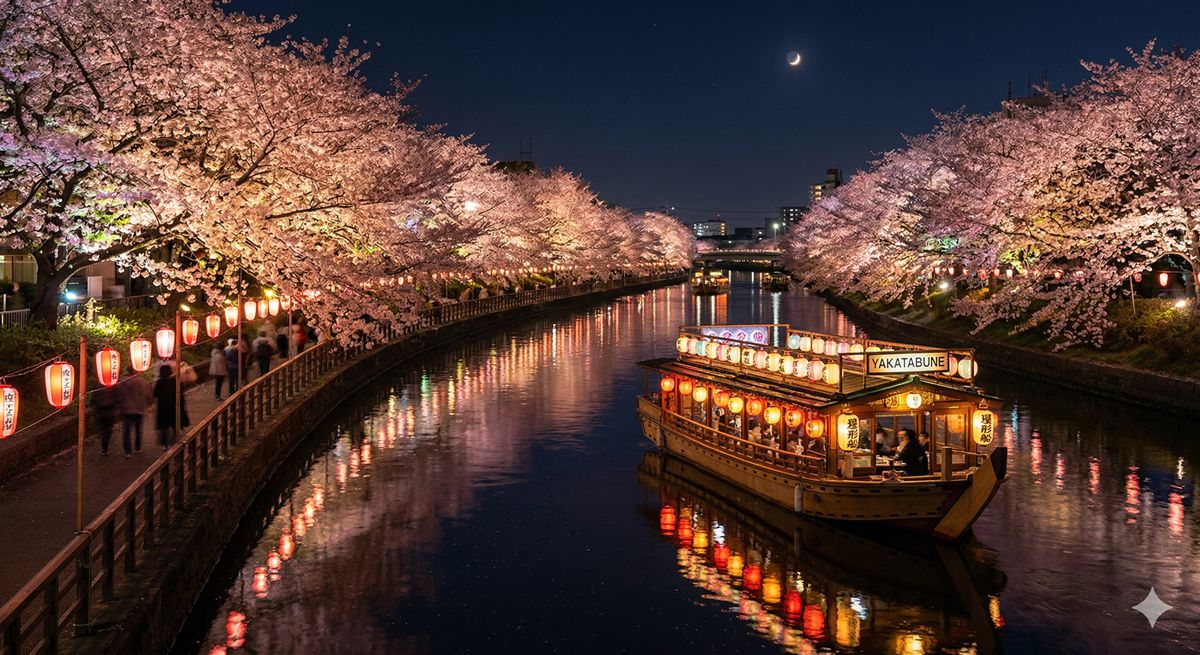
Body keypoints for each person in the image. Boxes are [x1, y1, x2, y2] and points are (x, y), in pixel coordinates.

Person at [153, 364, 190, 448]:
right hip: (174, 406)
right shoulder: (175, 382)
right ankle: (176, 441)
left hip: (163, 407)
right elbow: (181, 394)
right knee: (175, 425)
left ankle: (164, 443)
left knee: (164, 426)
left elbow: (155, 394)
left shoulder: (159, 382)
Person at [117, 372, 151, 457]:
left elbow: (118, 395)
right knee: (138, 429)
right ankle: (138, 447)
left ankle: (127, 452)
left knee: (126, 431)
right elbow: (147, 394)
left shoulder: (122, 383)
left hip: (126, 410)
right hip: (139, 409)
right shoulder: (141, 382)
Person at [90, 382, 120, 455]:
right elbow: (117, 398)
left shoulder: (97, 386)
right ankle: (105, 446)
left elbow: (93, 400)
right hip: (110, 412)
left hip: (100, 412)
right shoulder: (113, 386)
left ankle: (104, 448)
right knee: (108, 430)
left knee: (103, 429)